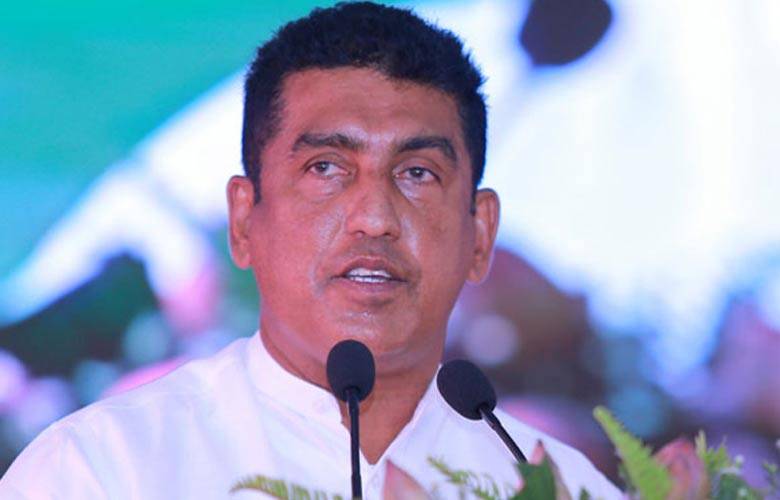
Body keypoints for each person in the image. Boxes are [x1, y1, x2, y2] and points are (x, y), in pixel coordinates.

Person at [0, 2, 620, 498]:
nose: (374, 218)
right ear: (244, 221)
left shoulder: (556, 480)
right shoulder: (97, 468)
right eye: (325, 168)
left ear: (480, 235)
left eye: (418, 173)